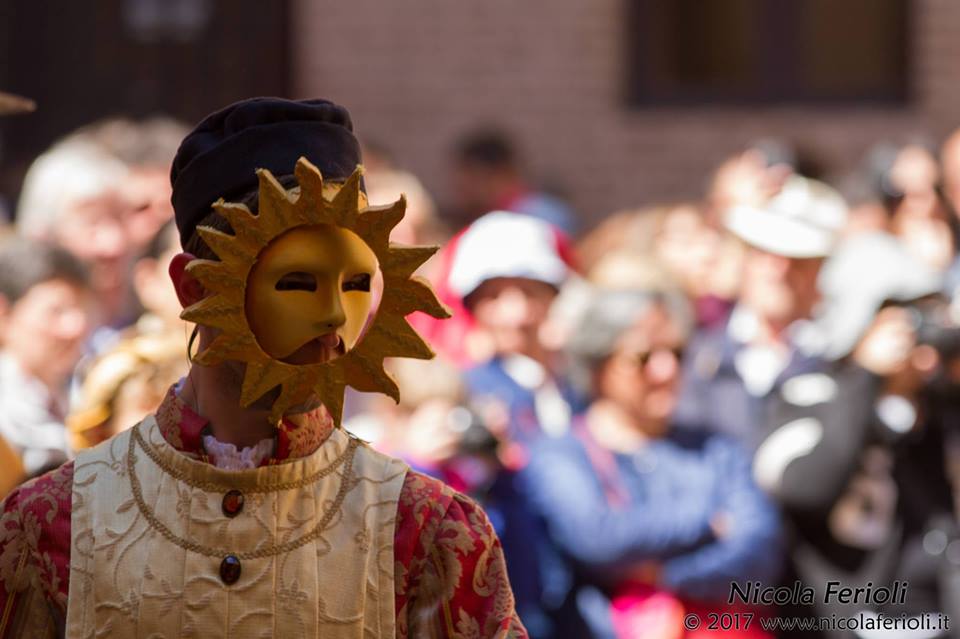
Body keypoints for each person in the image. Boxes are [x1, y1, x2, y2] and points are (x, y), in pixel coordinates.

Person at [0, 97, 525, 638]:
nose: (332, 317)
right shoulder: (53, 523)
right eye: (297, 282)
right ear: (193, 285)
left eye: (356, 284)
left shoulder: (426, 532)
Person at [523, 288, 781, 638]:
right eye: (643, 357)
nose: (667, 370)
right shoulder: (560, 454)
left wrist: (665, 576)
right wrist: (706, 522)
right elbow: (596, 537)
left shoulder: (714, 449)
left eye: (676, 353)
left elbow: (759, 553)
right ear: (598, 367)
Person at [754, 233, 957, 638]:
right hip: (848, 619)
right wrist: (866, 376)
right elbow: (807, 489)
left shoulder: (934, 407)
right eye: (906, 319)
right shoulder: (807, 394)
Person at [675, 175, 847, 448]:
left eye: (797, 260)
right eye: (764, 253)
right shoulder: (696, 349)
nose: (778, 269)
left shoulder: (841, 361)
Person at [0, 238, 93, 476]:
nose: (76, 326)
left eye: (79, 308)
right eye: (56, 311)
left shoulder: (85, 389)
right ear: (5, 315)